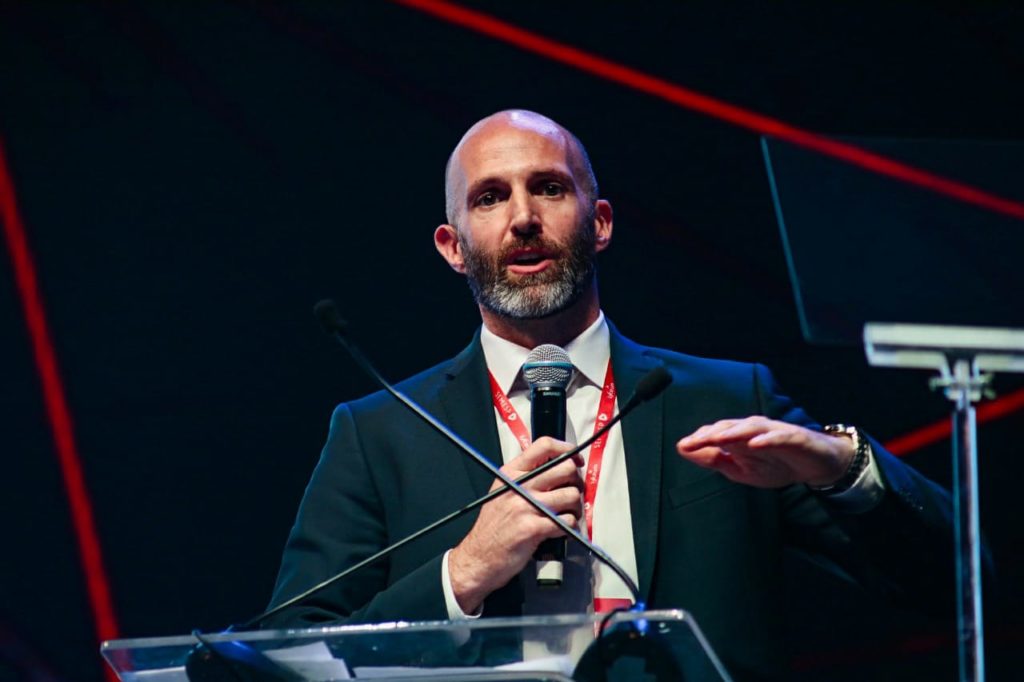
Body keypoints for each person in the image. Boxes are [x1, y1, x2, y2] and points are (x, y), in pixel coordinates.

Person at [264, 110, 955, 678]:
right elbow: (282, 655)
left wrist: (842, 468)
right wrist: (461, 574)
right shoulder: (380, 433)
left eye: (550, 188)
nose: (523, 217)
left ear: (600, 222)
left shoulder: (723, 397)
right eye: (490, 197)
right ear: (452, 245)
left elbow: (950, 585)